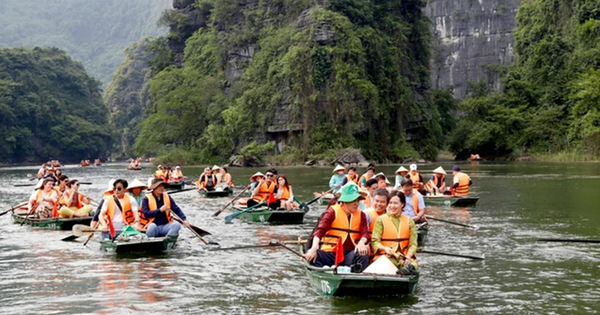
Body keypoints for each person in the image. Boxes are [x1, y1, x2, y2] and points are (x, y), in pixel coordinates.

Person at [303, 184, 370, 272]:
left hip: (349, 254)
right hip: (330, 253)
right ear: (345, 201)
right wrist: (313, 248)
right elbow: (320, 231)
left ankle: (355, 279)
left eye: (358, 200)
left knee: (362, 254)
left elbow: (365, 232)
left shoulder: (362, 215)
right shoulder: (332, 212)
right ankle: (325, 273)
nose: (356, 203)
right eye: (353, 200)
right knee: (313, 256)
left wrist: (362, 242)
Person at [371, 190, 419, 274]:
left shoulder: (409, 221)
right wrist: (385, 248)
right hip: (386, 256)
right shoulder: (380, 220)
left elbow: (413, 244)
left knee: (414, 265)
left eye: (395, 203)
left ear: (402, 204)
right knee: (386, 265)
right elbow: (375, 241)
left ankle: (407, 269)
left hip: (403, 256)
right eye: (390, 203)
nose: (392, 206)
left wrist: (408, 257)